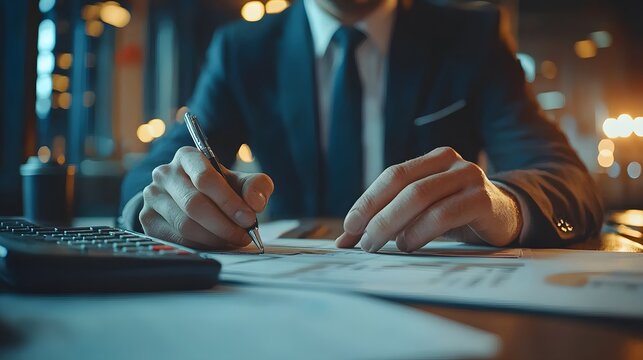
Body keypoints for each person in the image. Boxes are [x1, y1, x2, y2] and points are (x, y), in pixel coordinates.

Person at [120, 0, 603, 253]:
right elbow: (154, 173)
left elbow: (566, 178)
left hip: (438, 295)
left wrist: (505, 205)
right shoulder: (242, 51)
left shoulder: (470, 38)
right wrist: (167, 201)